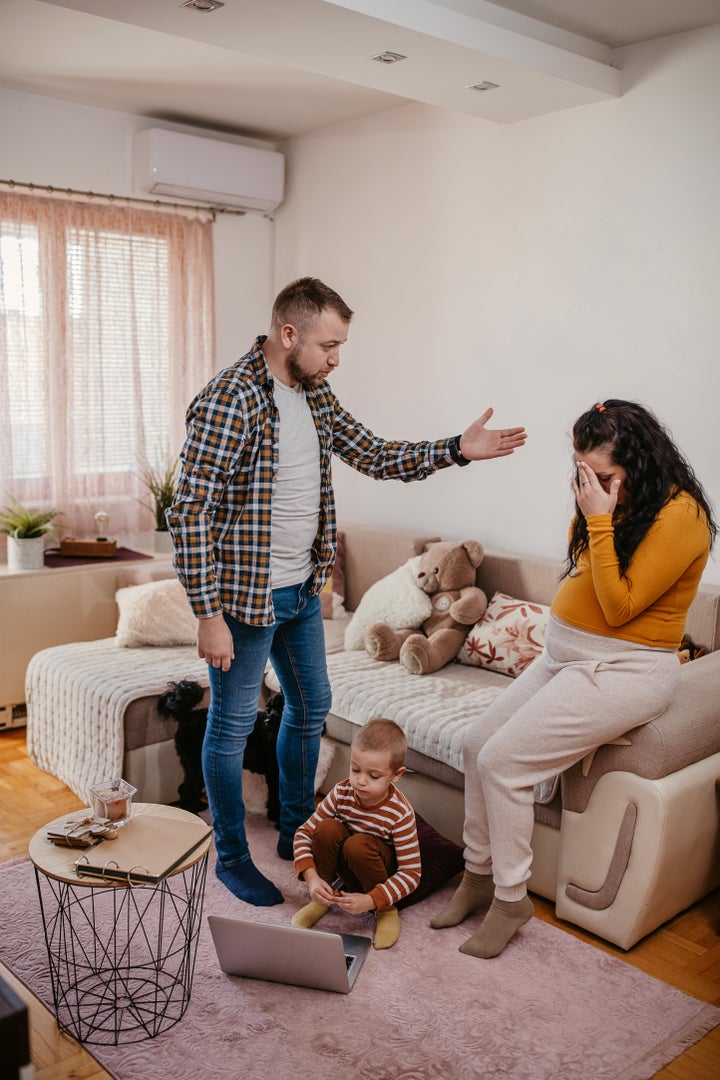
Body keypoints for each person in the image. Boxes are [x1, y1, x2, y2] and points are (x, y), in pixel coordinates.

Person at [166, 276, 526, 908]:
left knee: (310, 708)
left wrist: (457, 451)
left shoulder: (316, 395)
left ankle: (299, 831)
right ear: (288, 335)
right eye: (328, 344)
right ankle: (228, 858)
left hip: (302, 592)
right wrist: (207, 615)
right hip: (244, 601)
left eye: (339, 346)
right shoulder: (230, 400)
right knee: (228, 729)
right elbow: (189, 512)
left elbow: (374, 453)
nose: (336, 358)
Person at [431, 399, 716, 958]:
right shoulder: (614, 502)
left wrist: (600, 517)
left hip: (623, 669)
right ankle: (477, 877)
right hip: (566, 659)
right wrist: (595, 509)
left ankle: (512, 899)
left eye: (604, 474)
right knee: (473, 744)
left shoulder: (682, 516)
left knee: (504, 763)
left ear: (642, 461)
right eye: (584, 473)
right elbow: (586, 565)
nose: (592, 484)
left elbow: (618, 606)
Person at [291, 717, 419, 949]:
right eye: (355, 769)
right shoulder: (341, 792)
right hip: (345, 869)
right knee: (327, 827)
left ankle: (386, 912)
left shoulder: (400, 813)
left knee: (357, 844)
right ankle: (322, 899)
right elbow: (303, 833)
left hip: (376, 873)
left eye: (374, 776)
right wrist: (313, 879)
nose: (360, 781)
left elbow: (411, 873)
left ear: (396, 775)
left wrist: (373, 899)